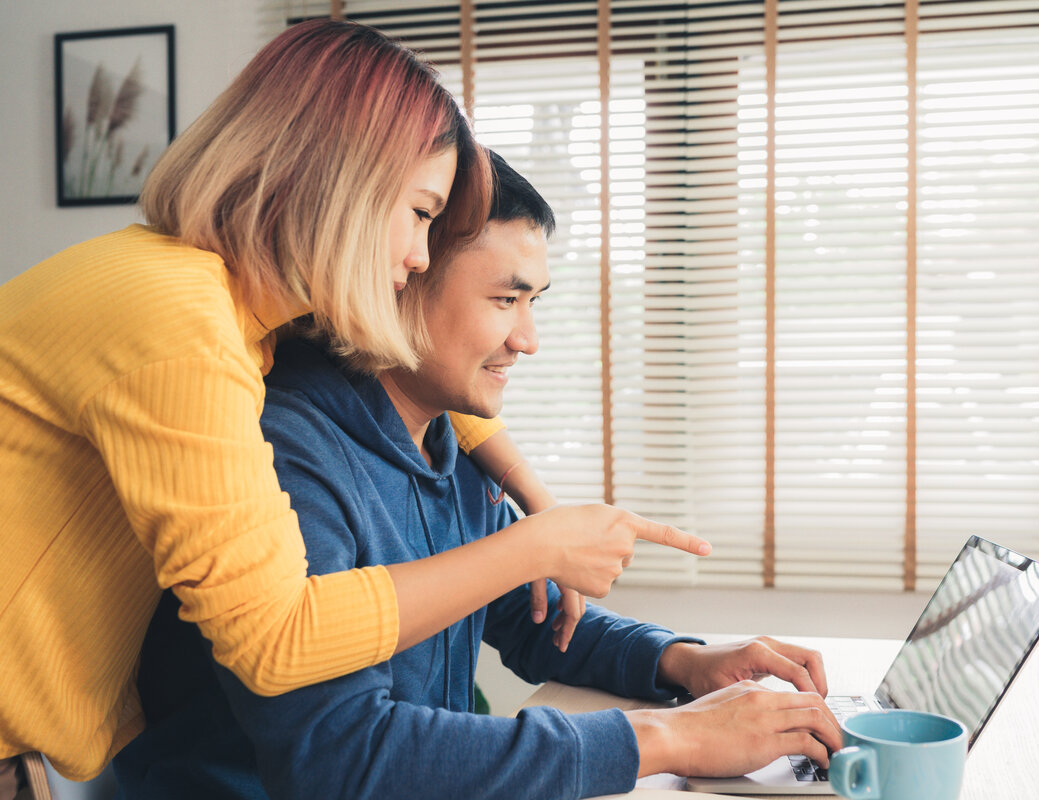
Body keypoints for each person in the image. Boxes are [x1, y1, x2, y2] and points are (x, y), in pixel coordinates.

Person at [0, 20, 708, 784]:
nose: (416, 255)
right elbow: (278, 643)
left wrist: (531, 492)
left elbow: (418, 392)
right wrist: (537, 546)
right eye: (419, 213)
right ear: (337, 181)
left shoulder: (238, 321)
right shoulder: (185, 327)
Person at [111, 152, 843, 799]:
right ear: (402, 275)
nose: (526, 339)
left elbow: (526, 617)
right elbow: (338, 761)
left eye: (532, 303)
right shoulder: (285, 453)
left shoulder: (445, 439)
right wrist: (669, 739)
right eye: (504, 299)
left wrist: (685, 662)